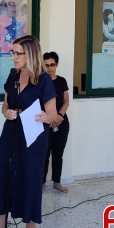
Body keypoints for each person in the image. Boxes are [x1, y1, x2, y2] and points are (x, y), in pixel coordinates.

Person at [0, 35, 57, 228]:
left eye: (17, 53)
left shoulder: (43, 79)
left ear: (30, 54)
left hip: (33, 137)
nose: (13, 57)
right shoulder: (13, 75)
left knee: (30, 180)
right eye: (12, 52)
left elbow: (53, 113)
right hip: (11, 133)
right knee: (2, 176)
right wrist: (6, 112)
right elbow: (5, 104)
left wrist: (46, 116)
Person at [42, 51, 70, 194]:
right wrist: (50, 118)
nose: (49, 68)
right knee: (44, 154)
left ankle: (57, 182)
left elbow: (66, 102)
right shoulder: (40, 82)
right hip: (46, 123)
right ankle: (41, 183)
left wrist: (59, 116)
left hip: (61, 122)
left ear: (57, 65)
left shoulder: (62, 81)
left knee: (58, 153)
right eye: (46, 65)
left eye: (52, 65)